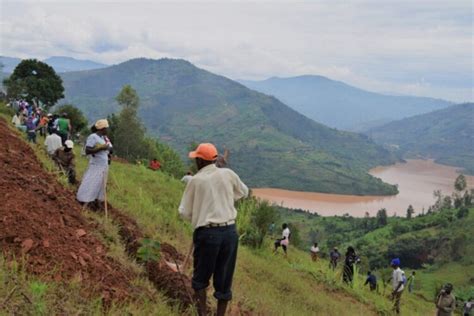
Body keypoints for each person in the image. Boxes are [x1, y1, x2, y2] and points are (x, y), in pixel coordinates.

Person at [178, 143, 248, 316]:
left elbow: (184, 212)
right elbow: (243, 192)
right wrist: (224, 198)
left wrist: (201, 212)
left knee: (200, 279)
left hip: (207, 234)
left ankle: (202, 313)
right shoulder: (228, 174)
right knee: (224, 282)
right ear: (215, 160)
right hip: (230, 233)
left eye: (196, 159)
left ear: (200, 161)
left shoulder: (196, 181)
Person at [76, 119, 113, 208]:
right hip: (96, 165)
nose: (107, 130)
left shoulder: (104, 138)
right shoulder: (93, 137)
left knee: (100, 184)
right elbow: (88, 150)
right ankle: (84, 200)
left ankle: (95, 200)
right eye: (106, 128)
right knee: (91, 181)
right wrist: (101, 148)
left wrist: (107, 148)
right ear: (102, 129)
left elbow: (110, 149)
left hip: (103, 165)